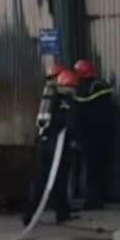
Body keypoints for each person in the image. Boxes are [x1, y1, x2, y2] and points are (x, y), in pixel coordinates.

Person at [23, 68, 80, 225]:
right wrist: (75, 141)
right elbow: (72, 125)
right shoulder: (69, 102)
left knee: (39, 181)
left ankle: (28, 215)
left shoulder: (49, 100)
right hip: (59, 149)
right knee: (59, 181)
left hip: (43, 144)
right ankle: (62, 214)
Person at [73, 59, 116, 211]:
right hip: (105, 136)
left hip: (90, 138)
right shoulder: (102, 86)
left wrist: (77, 138)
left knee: (91, 170)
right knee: (101, 169)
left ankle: (93, 200)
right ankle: (100, 197)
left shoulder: (82, 90)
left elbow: (78, 116)